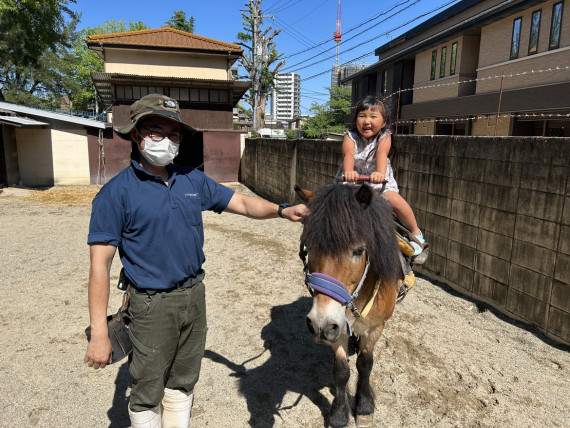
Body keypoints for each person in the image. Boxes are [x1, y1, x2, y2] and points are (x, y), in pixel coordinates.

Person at [84, 94, 307, 428]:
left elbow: (242, 204)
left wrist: (281, 210)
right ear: (135, 134)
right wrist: (99, 332)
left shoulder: (191, 179)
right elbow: (99, 265)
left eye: (174, 135)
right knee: (147, 386)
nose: (167, 141)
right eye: (156, 131)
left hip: (194, 296)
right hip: (149, 304)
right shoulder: (116, 193)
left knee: (184, 379)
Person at [337, 95, 426, 256]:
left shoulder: (385, 136)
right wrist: (349, 171)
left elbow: (381, 153)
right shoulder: (350, 136)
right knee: (333, 201)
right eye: (362, 116)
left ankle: (416, 232)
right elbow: (348, 154)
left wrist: (379, 173)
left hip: (379, 181)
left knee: (395, 200)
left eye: (373, 116)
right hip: (351, 180)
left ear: (384, 122)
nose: (366, 121)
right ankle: (322, 235)